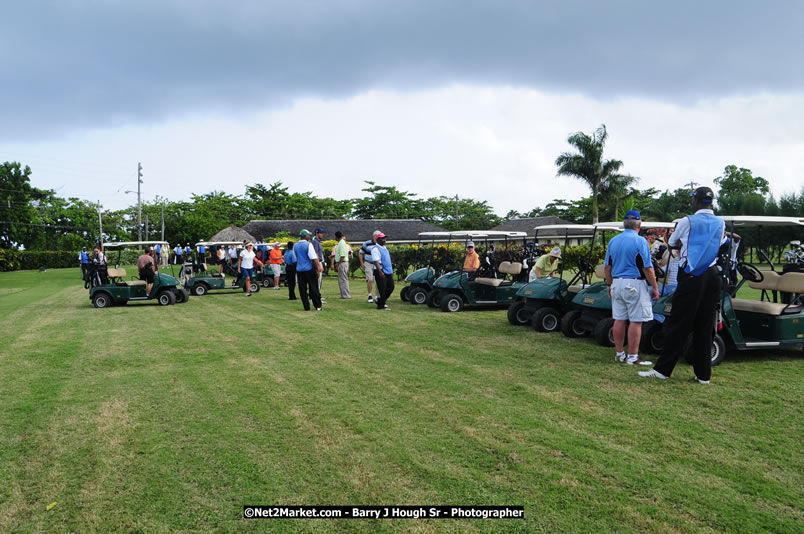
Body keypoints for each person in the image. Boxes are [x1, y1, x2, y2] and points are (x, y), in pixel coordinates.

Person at [640, 187, 725, 384]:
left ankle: (663, 370)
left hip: (692, 274)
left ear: (696, 201)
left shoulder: (688, 221)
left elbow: (673, 242)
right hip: (713, 275)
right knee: (705, 326)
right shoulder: (720, 223)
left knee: (678, 323)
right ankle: (703, 375)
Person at [603, 210, 659, 366]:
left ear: (624, 224)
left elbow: (607, 267)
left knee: (619, 319)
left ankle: (619, 353)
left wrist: (609, 284)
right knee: (636, 320)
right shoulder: (640, 241)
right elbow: (647, 268)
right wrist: (654, 287)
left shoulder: (613, 241)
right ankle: (633, 356)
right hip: (634, 283)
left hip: (617, 282)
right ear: (639, 225)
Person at [293, 230, 323, 311]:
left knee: (302, 290)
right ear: (305, 236)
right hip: (308, 269)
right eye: (308, 235)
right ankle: (318, 306)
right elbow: (313, 258)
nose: (309, 236)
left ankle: (306, 307)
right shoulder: (308, 244)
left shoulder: (295, 245)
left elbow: (295, 258)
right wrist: (318, 269)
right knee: (313, 288)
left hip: (299, 269)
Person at [372, 232, 394, 310]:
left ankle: (380, 301)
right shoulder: (375, 249)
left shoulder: (385, 248)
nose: (384, 240)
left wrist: (391, 271)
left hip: (388, 271)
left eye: (385, 238)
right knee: (382, 289)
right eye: (382, 239)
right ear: (378, 240)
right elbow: (376, 262)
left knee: (391, 287)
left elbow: (388, 260)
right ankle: (381, 305)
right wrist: (380, 272)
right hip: (380, 270)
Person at [359, 230, 381, 303]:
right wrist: (362, 263)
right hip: (368, 263)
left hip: (377, 264)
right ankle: (370, 295)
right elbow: (360, 253)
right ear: (374, 237)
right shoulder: (367, 243)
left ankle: (377, 296)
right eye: (377, 237)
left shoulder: (380, 244)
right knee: (370, 279)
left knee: (378, 281)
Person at [334, 231, 352, 299]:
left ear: (337, 237)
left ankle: (345, 295)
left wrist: (338, 264)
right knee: (343, 279)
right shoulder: (341, 243)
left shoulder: (341, 244)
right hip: (343, 263)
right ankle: (344, 294)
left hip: (342, 263)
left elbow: (342, 256)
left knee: (343, 279)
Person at [312, 228, 326, 293]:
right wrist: (318, 266)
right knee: (318, 280)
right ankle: (317, 295)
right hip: (317, 262)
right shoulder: (315, 242)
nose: (322, 235)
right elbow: (316, 254)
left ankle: (318, 294)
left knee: (319, 280)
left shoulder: (318, 242)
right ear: (317, 233)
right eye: (321, 233)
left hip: (320, 261)